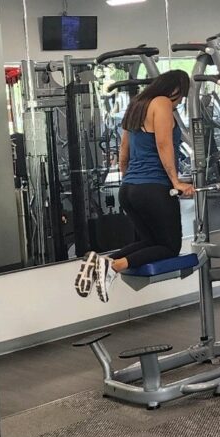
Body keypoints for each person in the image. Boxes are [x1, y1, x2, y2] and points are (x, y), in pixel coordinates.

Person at [74, 70, 195, 302]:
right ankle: (115, 266)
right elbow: (163, 143)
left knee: (149, 242)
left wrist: (130, 180)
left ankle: (101, 262)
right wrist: (176, 181)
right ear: (176, 89)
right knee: (169, 247)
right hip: (154, 187)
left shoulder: (137, 105)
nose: (179, 102)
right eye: (181, 97)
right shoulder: (161, 103)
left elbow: (123, 152)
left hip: (129, 189)